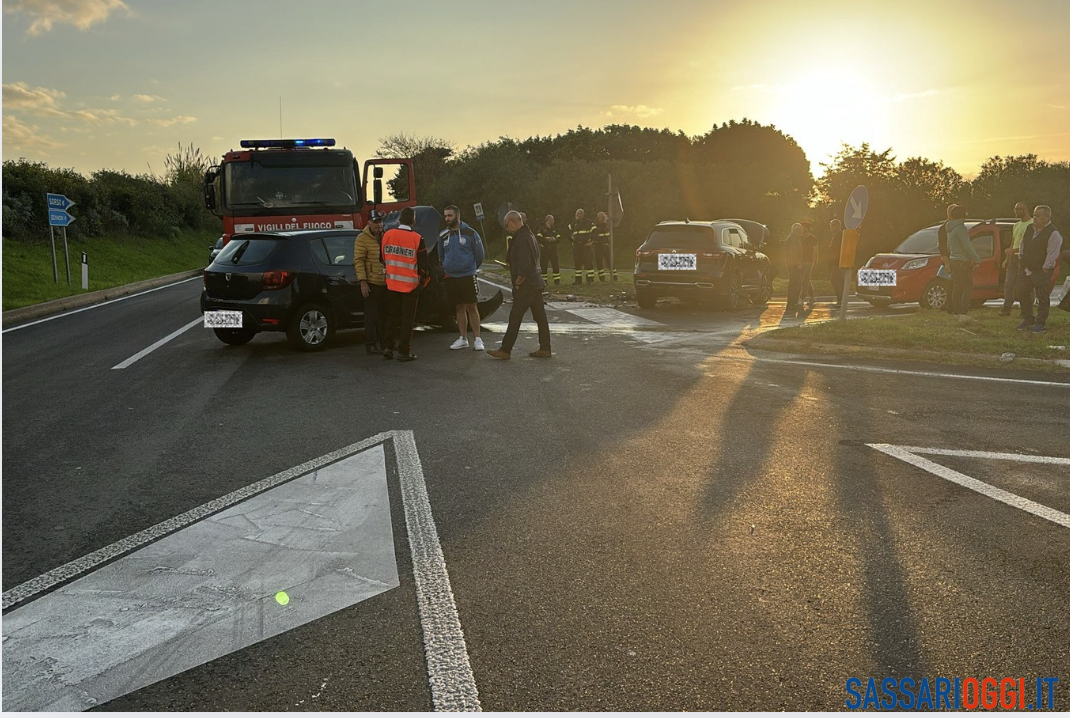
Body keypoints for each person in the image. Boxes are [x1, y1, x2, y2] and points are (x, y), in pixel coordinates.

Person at [488, 211, 551, 359]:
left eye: (507, 225)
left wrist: (518, 283)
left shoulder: (521, 238)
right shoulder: (529, 235)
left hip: (526, 285)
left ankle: (505, 350)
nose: (507, 229)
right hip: (536, 283)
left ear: (513, 222)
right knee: (540, 317)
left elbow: (525, 265)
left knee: (515, 317)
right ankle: (545, 348)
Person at [381, 207, 429, 362]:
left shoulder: (387, 235)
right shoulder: (417, 238)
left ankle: (387, 348)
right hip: (410, 286)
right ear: (413, 221)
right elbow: (424, 266)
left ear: (399, 219)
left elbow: (382, 259)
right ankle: (404, 351)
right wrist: (423, 281)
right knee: (407, 320)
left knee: (391, 317)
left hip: (391, 283)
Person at [438, 205, 486, 351]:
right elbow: (441, 255)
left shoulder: (470, 233)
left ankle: (477, 339)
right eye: (445, 216)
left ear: (457, 216)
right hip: (451, 277)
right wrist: (446, 267)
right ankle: (462, 338)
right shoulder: (443, 235)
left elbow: (479, 255)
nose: (447, 219)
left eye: (450, 216)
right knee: (459, 307)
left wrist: (470, 268)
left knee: (472, 306)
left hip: (467, 275)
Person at [1017, 205, 1063, 333]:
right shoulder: (1030, 228)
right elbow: (1023, 243)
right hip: (1025, 267)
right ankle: (1028, 319)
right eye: (1034, 215)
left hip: (1040, 270)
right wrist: (1021, 258)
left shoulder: (1053, 233)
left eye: (1037, 215)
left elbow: (1052, 252)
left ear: (1046, 217)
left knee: (1042, 296)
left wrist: (1045, 268)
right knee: (1022, 292)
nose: (1034, 218)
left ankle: (1040, 323)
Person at [353, 209, 388, 354]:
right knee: (371, 316)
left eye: (380, 222)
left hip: (386, 281)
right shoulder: (362, 238)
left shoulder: (386, 235)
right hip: (371, 282)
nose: (378, 225)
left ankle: (385, 343)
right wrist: (363, 281)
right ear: (369, 223)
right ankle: (371, 344)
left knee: (384, 315)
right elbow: (359, 261)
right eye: (375, 222)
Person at [946, 204, 980, 315]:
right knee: (967, 287)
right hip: (962, 261)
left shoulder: (950, 229)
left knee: (957, 286)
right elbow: (967, 246)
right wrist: (976, 258)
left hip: (953, 260)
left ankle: (956, 310)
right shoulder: (961, 229)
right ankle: (964, 311)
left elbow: (948, 247)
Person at [1001, 201, 1033, 316]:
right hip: (1013, 259)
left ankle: (1026, 309)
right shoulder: (1016, 225)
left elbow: (1029, 244)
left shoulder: (1032, 224)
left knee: (1024, 284)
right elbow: (1013, 243)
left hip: (1024, 258)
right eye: (1015, 209)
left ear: (1025, 210)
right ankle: (1007, 307)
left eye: (1018, 209)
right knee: (1008, 283)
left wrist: (1014, 250)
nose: (1015, 211)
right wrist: (1007, 258)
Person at [568, 208, 594, 285]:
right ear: (576, 215)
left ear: (583, 214)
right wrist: (571, 238)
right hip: (577, 246)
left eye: (580, 213)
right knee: (577, 262)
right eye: (578, 214)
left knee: (588, 262)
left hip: (586, 245)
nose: (579, 215)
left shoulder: (589, 222)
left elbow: (595, 232)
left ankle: (590, 279)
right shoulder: (573, 224)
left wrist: (592, 242)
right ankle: (578, 280)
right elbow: (568, 232)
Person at [537, 214, 562, 285]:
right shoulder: (542, 229)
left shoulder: (554, 230)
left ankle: (557, 281)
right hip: (545, 250)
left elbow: (559, 238)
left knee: (555, 265)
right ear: (548, 220)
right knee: (544, 266)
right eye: (552, 220)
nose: (554, 221)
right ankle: (544, 281)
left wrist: (554, 239)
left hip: (553, 250)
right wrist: (547, 239)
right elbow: (539, 238)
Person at [784, 223, 804, 310]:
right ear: (797, 231)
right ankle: (793, 301)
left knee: (794, 282)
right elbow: (793, 252)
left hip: (791, 262)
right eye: (800, 230)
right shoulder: (793, 239)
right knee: (796, 283)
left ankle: (792, 302)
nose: (801, 232)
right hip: (793, 263)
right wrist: (797, 262)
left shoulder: (793, 238)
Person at [799, 220, 818, 308]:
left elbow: (815, 251)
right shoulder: (800, 238)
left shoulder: (812, 238)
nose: (802, 229)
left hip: (809, 261)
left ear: (807, 228)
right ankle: (812, 296)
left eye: (803, 227)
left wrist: (815, 261)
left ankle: (802, 297)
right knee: (805, 279)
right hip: (801, 261)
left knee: (804, 279)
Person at [827, 219, 845, 305]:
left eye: (833, 225)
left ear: (838, 226)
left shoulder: (839, 235)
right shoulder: (835, 235)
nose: (831, 227)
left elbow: (837, 248)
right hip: (835, 261)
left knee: (835, 280)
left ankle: (841, 299)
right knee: (838, 280)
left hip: (838, 261)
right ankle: (841, 299)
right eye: (831, 225)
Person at [591, 211, 613, 282]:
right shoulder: (594, 226)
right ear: (598, 218)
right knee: (599, 262)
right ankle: (602, 278)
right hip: (598, 247)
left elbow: (609, 235)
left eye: (604, 217)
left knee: (610, 261)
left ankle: (614, 277)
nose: (603, 219)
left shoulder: (607, 225)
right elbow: (593, 236)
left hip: (606, 246)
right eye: (602, 217)